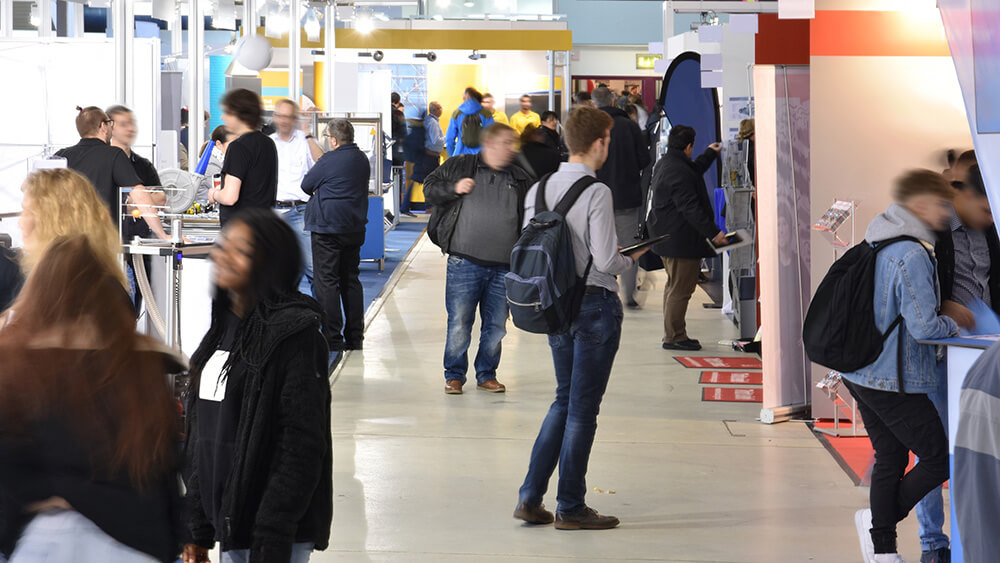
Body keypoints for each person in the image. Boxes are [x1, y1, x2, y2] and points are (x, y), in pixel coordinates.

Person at [0, 235, 184, 563]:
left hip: (45, 540)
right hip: (133, 538)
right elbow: (163, 461)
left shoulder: (18, 364)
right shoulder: (140, 364)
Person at [514, 106, 649, 531]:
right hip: (593, 306)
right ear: (599, 143)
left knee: (564, 398)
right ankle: (570, 506)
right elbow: (607, 260)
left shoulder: (537, 190)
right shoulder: (596, 192)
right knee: (582, 409)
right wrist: (635, 258)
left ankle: (531, 497)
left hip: (554, 306)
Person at [181, 209, 332, 563]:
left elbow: (301, 445)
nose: (223, 256)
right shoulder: (222, 330)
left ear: (270, 262)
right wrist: (199, 527)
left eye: (240, 250)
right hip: (233, 527)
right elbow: (207, 437)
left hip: (271, 536)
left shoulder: (294, 333)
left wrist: (271, 534)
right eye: (223, 246)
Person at [840, 170, 973, 563]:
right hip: (892, 378)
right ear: (920, 206)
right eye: (940, 206)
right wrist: (958, 319)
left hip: (862, 372)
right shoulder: (912, 253)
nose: (947, 215)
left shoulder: (878, 238)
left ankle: (883, 550)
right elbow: (925, 326)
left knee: (892, 458)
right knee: (937, 458)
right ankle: (878, 525)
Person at [912, 162, 998, 563]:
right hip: (940, 355)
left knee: (979, 452)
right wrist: (942, 306)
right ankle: (933, 542)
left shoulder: (991, 232)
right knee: (934, 450)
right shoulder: (933, 232)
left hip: (983, 355)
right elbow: (913, 294)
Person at [423, 123, 534, 395]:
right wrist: (454, 187)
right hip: (464, 262)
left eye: (513, 144)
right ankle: (455, 375)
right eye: (507, 143)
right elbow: (430, 187)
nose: (511, 149)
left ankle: (486, 373)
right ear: (490, 143)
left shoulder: (521, 178)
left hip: (504, 267)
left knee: (496, 326)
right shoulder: (461, 165)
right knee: (460, 322)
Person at [647, 125, 726, 351]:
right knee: (681, 290)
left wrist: (710, 153)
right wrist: (714, 232)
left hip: (668, 237)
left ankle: (673, 333)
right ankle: (674, 337)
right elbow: (690, 208)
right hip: (679, 240)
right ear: (689, 146)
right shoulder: (678, 170)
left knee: (674, 287)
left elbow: (693, 171)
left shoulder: (668, 163)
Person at [302, 119, 371, 354]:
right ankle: (355, 338)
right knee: (351, 280)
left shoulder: (329, 159)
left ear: (333, 140)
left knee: (327, 282)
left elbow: (306, 184)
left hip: (327, 228)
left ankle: (332, 337)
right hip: (354, 227)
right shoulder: (361, 159)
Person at [55, 106, 168, 240]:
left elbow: (42, 193)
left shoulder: (61, 155)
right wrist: (162, 235)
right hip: (103, 242)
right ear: (103, 126)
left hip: (67, 240)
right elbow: (140, 196)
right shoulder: (114, 155)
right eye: (110, 123)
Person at [17, 169, 128, 295]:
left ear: (60, 222)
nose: (20, 224)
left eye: (30, 213)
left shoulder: (78, 290)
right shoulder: (57, 280)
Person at [592, 86, 652, 309]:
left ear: (594, 103)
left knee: (596, 244)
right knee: (629, 245)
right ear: (614, 102)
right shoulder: (629, 126)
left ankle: (600, 289)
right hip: (626, 196)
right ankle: (628, 296)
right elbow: (645, 160)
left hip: (595, 197)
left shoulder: (591, 126)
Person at [271, 99, 325, 297]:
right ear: (274, 117)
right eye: (280, 116)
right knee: (278, 273)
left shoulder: (305, 141)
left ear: (295, 119)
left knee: (313, 269)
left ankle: (324, 324)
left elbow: (322, 162)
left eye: (288, 116)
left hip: (300, 212)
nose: (284, 121)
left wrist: (308, 134)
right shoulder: (269, 143)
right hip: (274, 214)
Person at [209, 89, 279, 227]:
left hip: (240, 230)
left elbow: (230, 197)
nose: (223, 118)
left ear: (239, 115)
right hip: (264, 227)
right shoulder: (268, 143)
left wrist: (214, 194)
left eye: (227, 113)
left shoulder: (238, 147)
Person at [444, 87, 494, 157]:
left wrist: (452, 156)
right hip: (481, 157)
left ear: (465, 97)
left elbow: (449, 139)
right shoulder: (486, 114)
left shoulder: (457, 113)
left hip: (460, 156)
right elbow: (492, 136)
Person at [197, 126, 235, 205]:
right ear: (218, 144)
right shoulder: (212, 164)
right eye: (232, 143)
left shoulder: (221, 161)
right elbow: (224, 191)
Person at [401, 107, 428, 218]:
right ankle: (429, 206)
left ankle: (405, 207)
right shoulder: (421, 129)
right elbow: (420, 144)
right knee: (425, 182)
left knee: (417, 182)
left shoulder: (415, 128)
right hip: (420, 160)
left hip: (415, 159)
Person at [421, 102, 446, 180]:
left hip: (429, 156)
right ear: (435, 110)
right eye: (440, 108)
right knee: (433, 180)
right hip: (431, 157)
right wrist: (447, 138)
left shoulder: (429, 120)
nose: (441, 110)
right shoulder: (433, 122)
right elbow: (435, 140)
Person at [390, 92, 407, 167]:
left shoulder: (384, 112)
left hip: (384, 148)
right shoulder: (398, 113)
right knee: (398, 172)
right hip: (397, 149)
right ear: (399, 101)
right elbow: (403, 132)